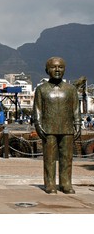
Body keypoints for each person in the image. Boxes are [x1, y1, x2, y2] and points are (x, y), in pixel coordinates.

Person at [33, 57, 81, 194]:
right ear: (47, 70)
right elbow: (37, 109)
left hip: (67, 128)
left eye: (60, 67)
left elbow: (76, 109)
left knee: (67, 158)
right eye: (54, 67)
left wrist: (77, 124)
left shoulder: (71, 89)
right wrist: (38, 124)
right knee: (49, 159)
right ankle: (50, 184)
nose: (57, 69)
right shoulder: (41, 89)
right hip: (48, 128)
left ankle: (66, 183)